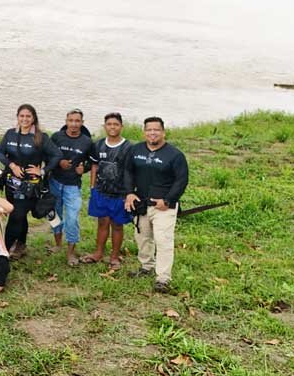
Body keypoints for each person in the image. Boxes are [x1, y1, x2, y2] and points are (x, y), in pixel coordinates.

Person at [124, 117, 189, 293]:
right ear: (144, 132)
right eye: (149, 129)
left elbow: (181, 180)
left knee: (163, 240)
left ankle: (163, 278)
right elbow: (128, 171)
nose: (152, 133)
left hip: (163, 206)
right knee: (142, 237)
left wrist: (168, 200)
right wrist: (129, 192)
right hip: (142, 204)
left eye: (156, 130)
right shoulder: (135, 150)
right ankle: (146, 267)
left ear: (163, 132)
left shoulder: (175, 155)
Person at [0, 104, 62, 259]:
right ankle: (21, 244)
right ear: (17, 117)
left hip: (30, 186)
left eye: (28, 116)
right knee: (20, 215)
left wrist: (42, 171)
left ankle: (3, 250)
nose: (24, 119)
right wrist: (11, 165)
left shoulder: (40, 137)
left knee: (16, 215)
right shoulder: (10, 134)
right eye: (22, 116)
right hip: (11, 183)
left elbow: (57, 155)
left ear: (33, 118)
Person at [82, 113, 134, 271]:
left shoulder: (128, 147)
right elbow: (94, 166)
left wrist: (130, 193)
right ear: (105, 126)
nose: (112, 127)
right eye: (109, 124)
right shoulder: (98, 145)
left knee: (117, 225)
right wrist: (92, 186)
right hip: (101, 191)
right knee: (102, 222)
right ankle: (98, 253)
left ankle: (114, 256)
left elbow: (131, 171)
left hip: (120, 193)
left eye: (116, 124)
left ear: (121, 127)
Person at [49, 109, 96, 265]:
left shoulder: (87, 141)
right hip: (55, 182)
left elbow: (93, 161)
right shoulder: (56, 137)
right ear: (66, 121)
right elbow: (47, 155)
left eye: (77, 121)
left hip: (73, 186)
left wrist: (85, 168)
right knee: (55, 216)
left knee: (72, 219)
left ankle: (71, 253)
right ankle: (57, 244)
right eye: (71, 120)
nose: (74, 124)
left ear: (82, 123)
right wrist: (58, 162)